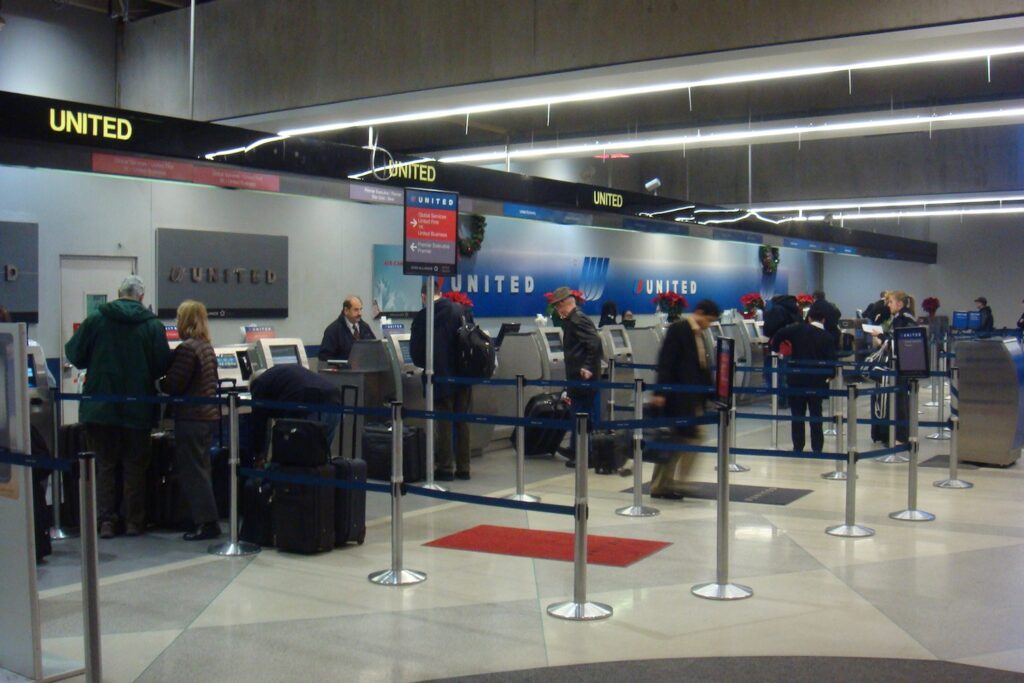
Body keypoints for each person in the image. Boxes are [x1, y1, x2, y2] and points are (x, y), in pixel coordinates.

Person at [64, 275, 171, 538]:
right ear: (141, 297)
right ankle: (134, 521)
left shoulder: (96, 320)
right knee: (135, 467)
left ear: (118, 293)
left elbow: (74, 354)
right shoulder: (152, 326)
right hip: (138, 410)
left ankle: (106, 522)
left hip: (100, 409)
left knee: (104, 466)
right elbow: (162, 365)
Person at [158, 300, 221, 541]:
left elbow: (175, 383)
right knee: (203, 468)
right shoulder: (206, 346)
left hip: (191, 417)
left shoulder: (187, 349)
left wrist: (158, 384)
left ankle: (206, 522)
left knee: (194, 471)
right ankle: (205, 518)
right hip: (208, 416)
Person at [648, 299, 719, 499]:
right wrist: (661, 392)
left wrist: (711, 393)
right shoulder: (679, 329)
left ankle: (671, 482)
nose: (709, 324)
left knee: (686, 439)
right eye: (709, 319)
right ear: (699, 312)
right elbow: (666, 361)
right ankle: (664, 484)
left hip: (692, 397)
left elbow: (702, 366)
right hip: (677, 397)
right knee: (675, 440)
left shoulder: (700, 335)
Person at [411, 281, 471, 481]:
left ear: (423, 297)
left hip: (440, 376)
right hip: (463, 375)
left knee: (443, 421)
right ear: (440, 293)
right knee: (463, 421)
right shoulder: (461, 310)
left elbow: (416, 354)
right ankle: (464, 468)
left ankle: (445, 468)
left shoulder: (423, 317)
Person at [770, 301, 837, 454]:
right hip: (817, 380)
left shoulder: (798, 329)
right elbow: (831, 360)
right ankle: (817, 447)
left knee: (797, 414)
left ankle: (798, 446)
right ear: (823, 320)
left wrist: (776, 352)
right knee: (816, 413)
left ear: (809, 318)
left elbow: (779, 334)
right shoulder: (827, 336)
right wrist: (830, 375)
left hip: (797, 378)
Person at [549, 286, 603, 467]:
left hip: (582, 379)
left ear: (565, 303)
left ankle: (584, 454)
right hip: (577, 377)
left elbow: (594, 342)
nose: (558, 310)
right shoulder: (574, 319)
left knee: (582, 414)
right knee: (580, 414)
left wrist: (587, 367)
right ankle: (579, 451)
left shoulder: (578, 319)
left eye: (558, 306)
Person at [249, 364, 344, 460]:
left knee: (296, 459)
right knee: (320, 458)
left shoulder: (259, 383)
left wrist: (258, 455)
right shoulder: (278, 374)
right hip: (334, 402)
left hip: (305, 403)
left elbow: (259, 423)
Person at [318, 295, 376, 362]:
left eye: (361, 309)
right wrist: (344, 363)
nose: (360, 313)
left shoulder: (365, 327)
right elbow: (324, 356)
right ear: (346, 310)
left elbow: (375, 349)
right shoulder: (333, 330)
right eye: (356, 310)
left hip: (366, 370)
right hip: (343, 371)